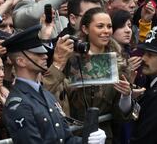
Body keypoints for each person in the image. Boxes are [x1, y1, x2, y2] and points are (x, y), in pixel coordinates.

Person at [3, 25, 107, 143]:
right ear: (21, 61)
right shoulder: (18, 103)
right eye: (38, 54)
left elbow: (65, 139)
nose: (45, 56)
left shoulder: (46, 94)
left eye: (43, 52)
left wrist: (87, 142)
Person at [44, 8, 133, 139]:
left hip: (104, 136)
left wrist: (126, 96)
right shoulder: (69, 59)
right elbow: (48, 92)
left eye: (109, 26)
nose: (106, 31)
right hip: (72, 135)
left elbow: (120, 116)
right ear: (85, 29)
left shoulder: (119, 62)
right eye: (100, 26)